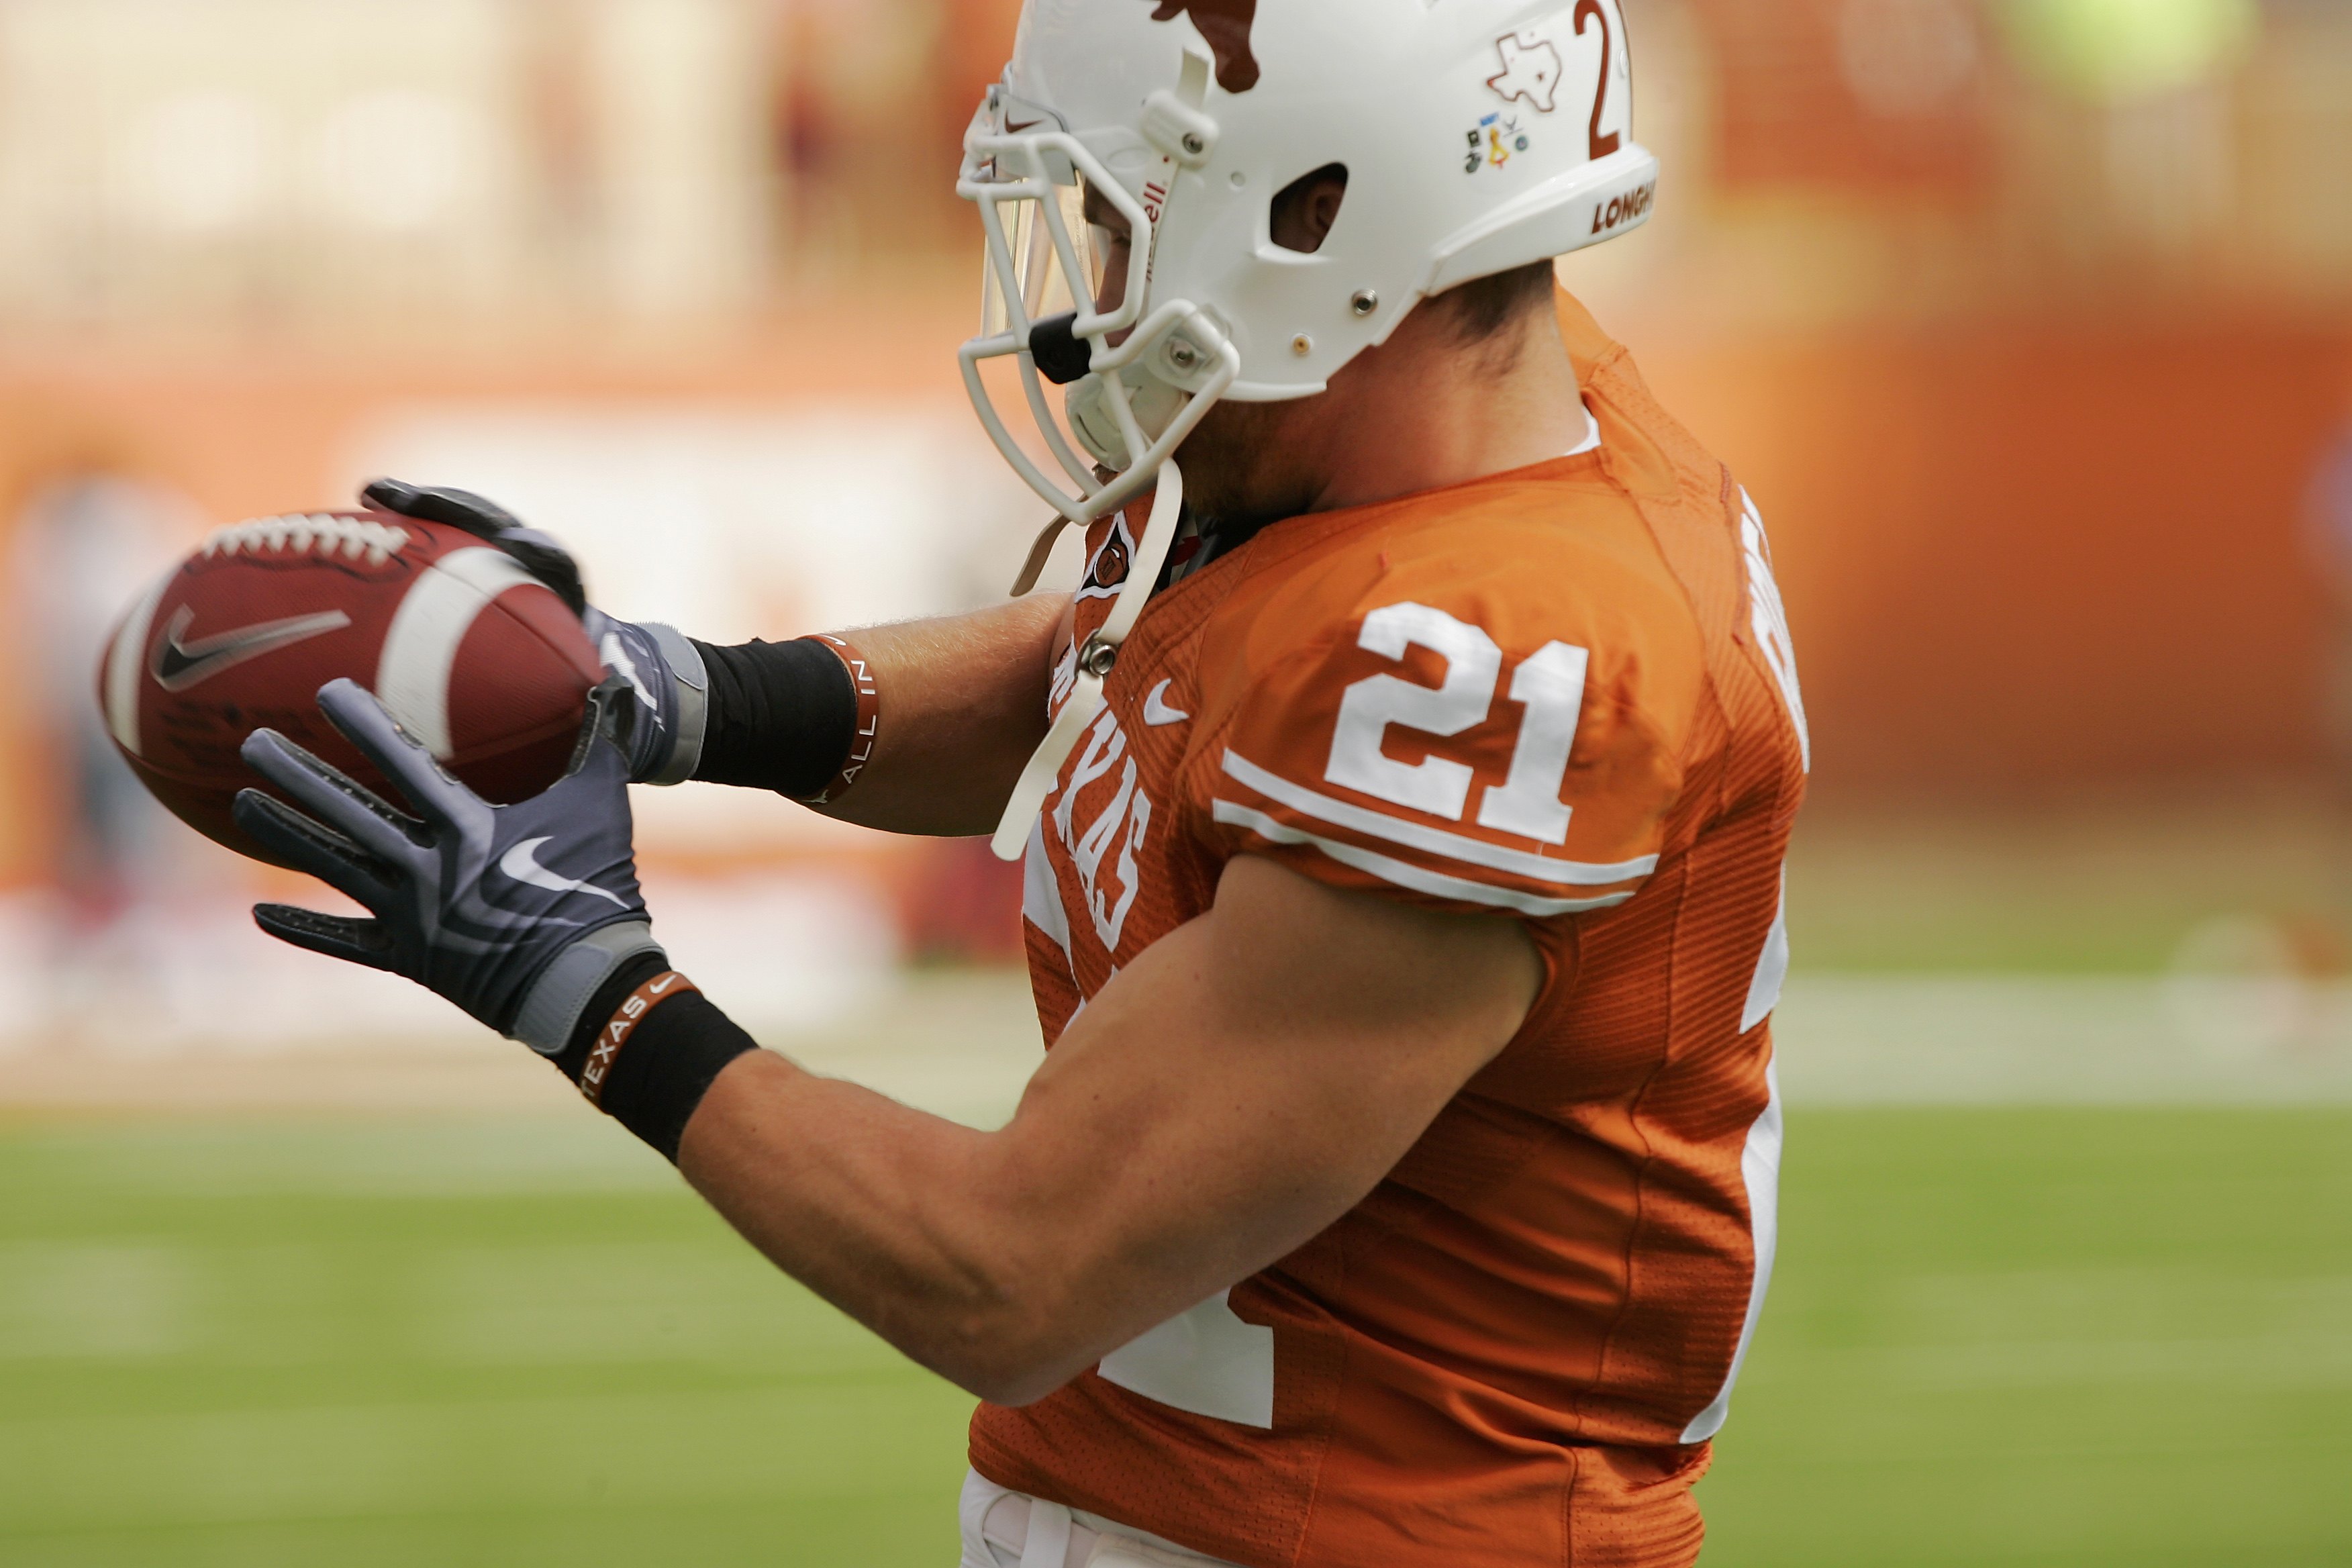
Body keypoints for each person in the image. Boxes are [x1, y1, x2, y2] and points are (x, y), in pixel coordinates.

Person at [235, 1, 1808, 1561]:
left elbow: (1011, 1271)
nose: (1097, 299)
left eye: (1127, 226)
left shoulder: (1500, 664)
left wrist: (581, 978)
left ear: (1327, 218)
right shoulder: (1424, 418)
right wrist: (685, 697)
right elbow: (1141, 674)